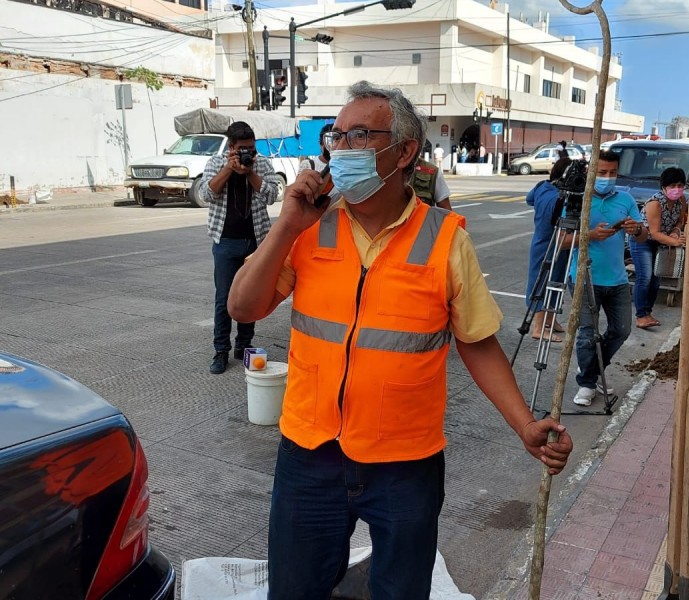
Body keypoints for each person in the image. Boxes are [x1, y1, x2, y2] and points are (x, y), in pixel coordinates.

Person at [227, 81, 573, 600]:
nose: (341, 148)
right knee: (295, 589)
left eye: (359, 135)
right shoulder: (310, 228)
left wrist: (524, 424)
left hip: (404, 463)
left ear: (405, 151)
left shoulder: (444, 238)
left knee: (401, 591)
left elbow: (476, 342)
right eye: (336, 136)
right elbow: (242, 307)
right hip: (310, 452)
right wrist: (287, 225)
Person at [566, 150, 649, 406]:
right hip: (584, 277)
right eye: (602, 173)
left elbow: (643, 235)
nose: (607, 178)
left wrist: (637, 230)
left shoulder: (625, 199)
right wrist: (589, 235)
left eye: (612, 173)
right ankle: (588, 384)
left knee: (621, 330)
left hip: (618, 280)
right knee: (588, 333)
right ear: (590, 172)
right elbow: (561, 241)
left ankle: (591, 372)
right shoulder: (577, 201)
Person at [200, 121, 281, 374]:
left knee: (251, 296)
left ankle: (244, 345)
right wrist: (228, 169)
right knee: (224, 299)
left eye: (252, 149)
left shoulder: (262, 164)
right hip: (225, 241)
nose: (249, 154)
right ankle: (220, 350)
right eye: (243, 149)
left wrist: (251, 173)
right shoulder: (216, 162)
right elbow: (206, 194)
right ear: (232, 148)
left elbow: (272, 195)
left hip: (256, 241)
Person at [629, 167, 688, 329]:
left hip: (662, 241)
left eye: (680, 185)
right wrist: (674, 242)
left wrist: (676, 231)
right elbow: (654, 233)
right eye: (672, 185)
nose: (677, 189)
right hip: (642, 241)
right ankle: (641, 316)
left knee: (656, 279)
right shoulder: (655, 203)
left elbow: (680, 220)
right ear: (663, 187)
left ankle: (647, 313)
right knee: (645, 276)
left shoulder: (681, 201)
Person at [525, 157, 572, 342]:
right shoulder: (561, 198)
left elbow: (529, 200)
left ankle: (551, 321)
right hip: (550, 244)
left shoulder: (542, 187)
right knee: (542, 284)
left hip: (547, 244)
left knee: (556, 282)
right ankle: (538, 327)